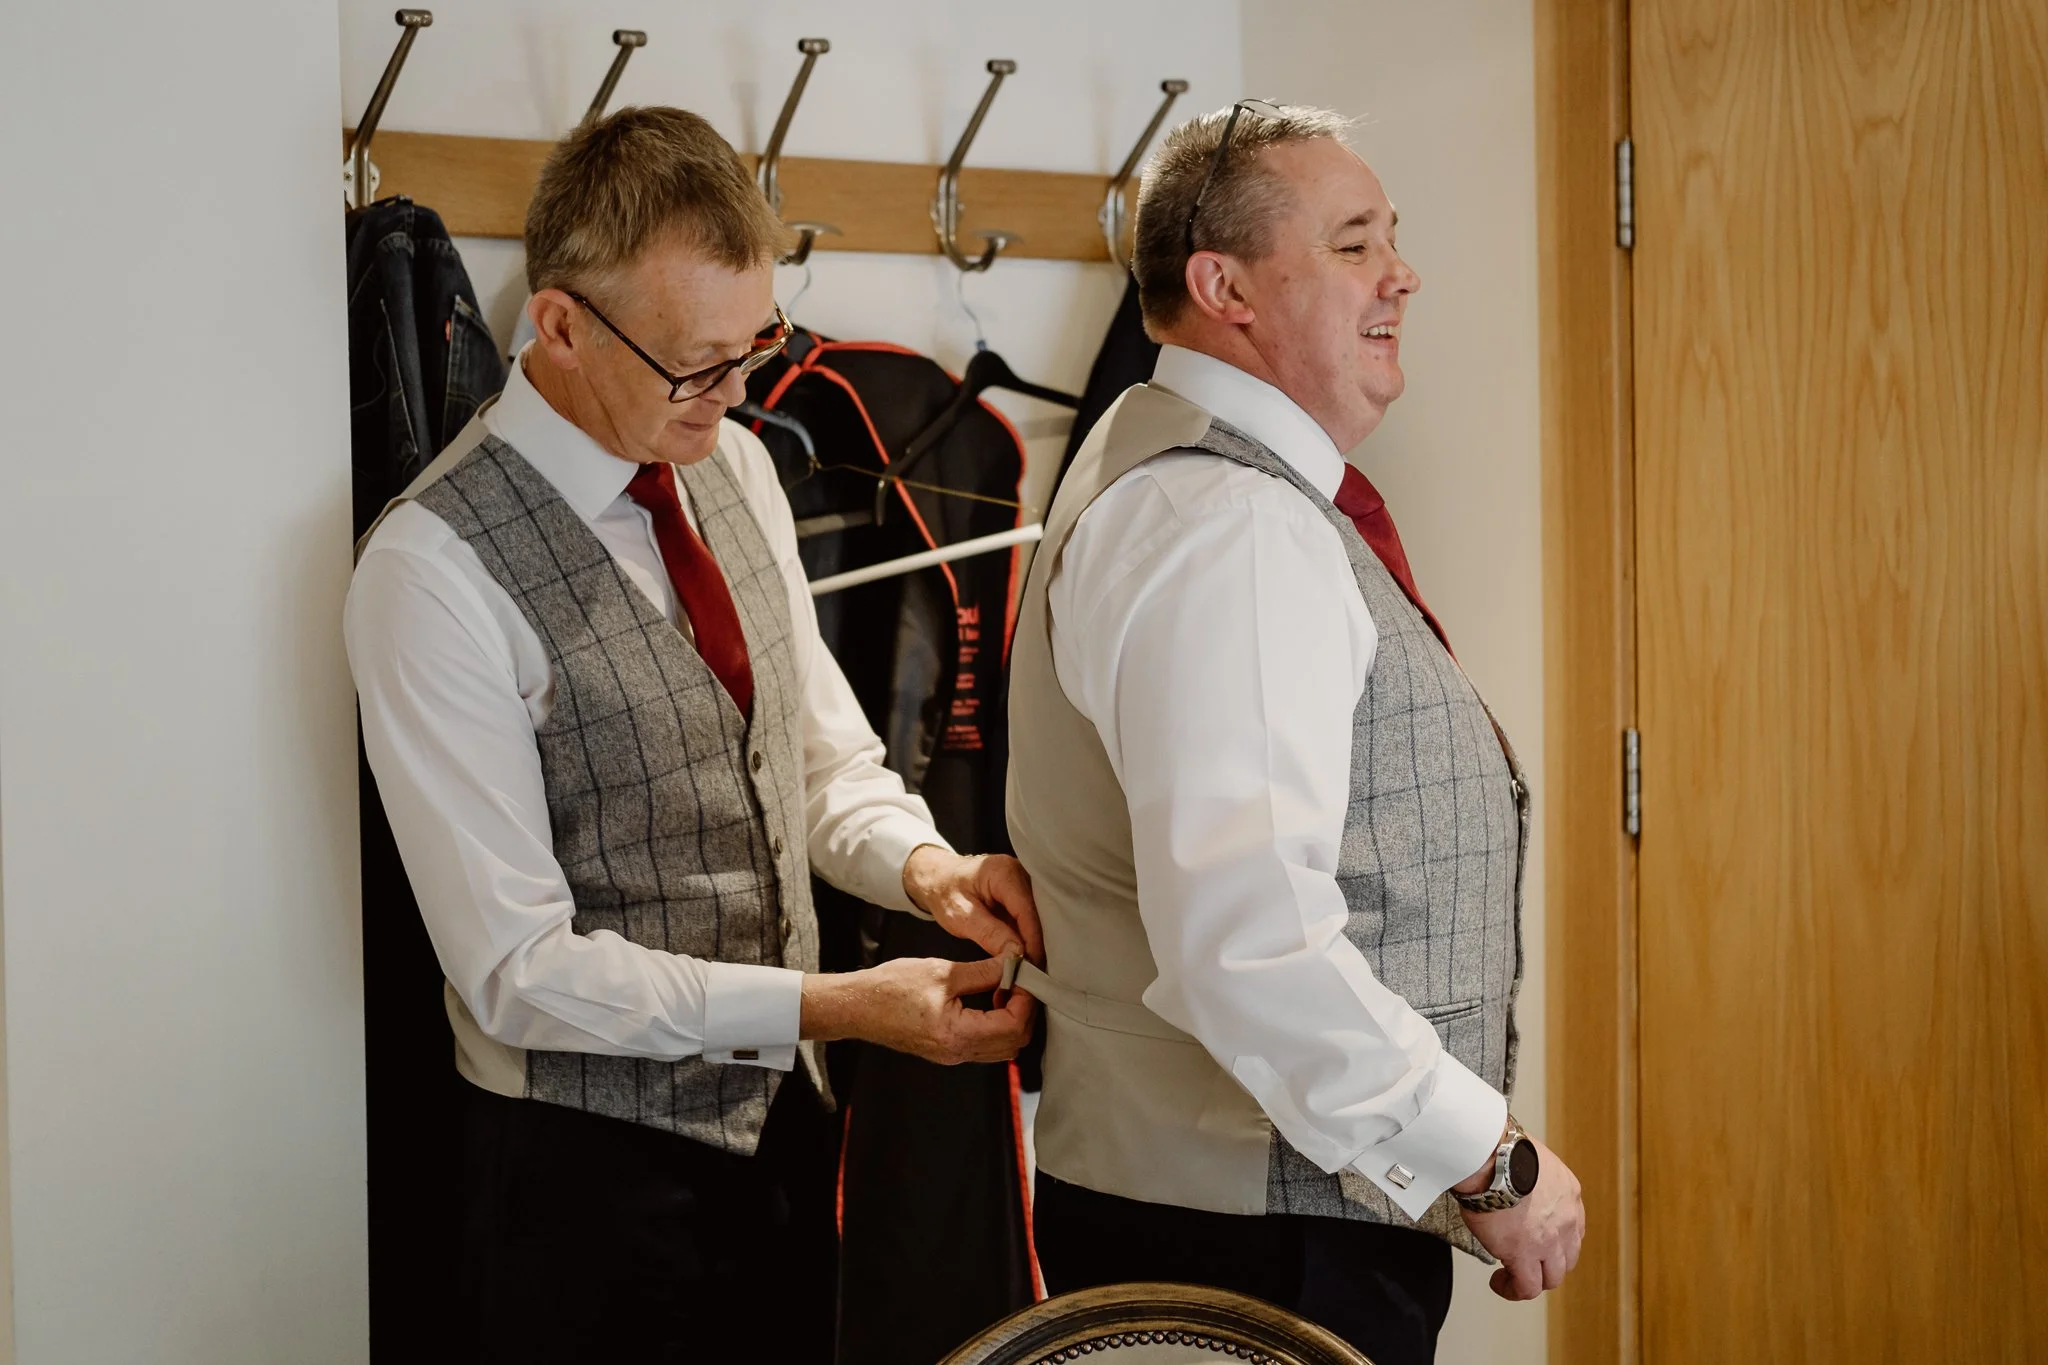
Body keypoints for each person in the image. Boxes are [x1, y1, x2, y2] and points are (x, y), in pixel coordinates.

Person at [345, 106, 1040, 1361]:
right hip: (582, 1183)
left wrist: (928, 868)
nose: (735, 394)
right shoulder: (431, 570)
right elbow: (518, 973)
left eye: (751, 348)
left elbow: (817, 763)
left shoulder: (737, 468)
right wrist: (836, 1006)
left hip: (782, 1139)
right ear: (560, 325)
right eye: (694, 364)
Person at [1005, 102, 1585, 1364]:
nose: (1401, 274)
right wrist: (1487, 1159)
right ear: (1225, 289)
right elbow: (1251, 943)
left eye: (1392, 239)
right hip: (1255, 1236)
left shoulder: (1154, 460)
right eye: (1352, 242)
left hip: (1234, 1210)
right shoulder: (1231, 525)